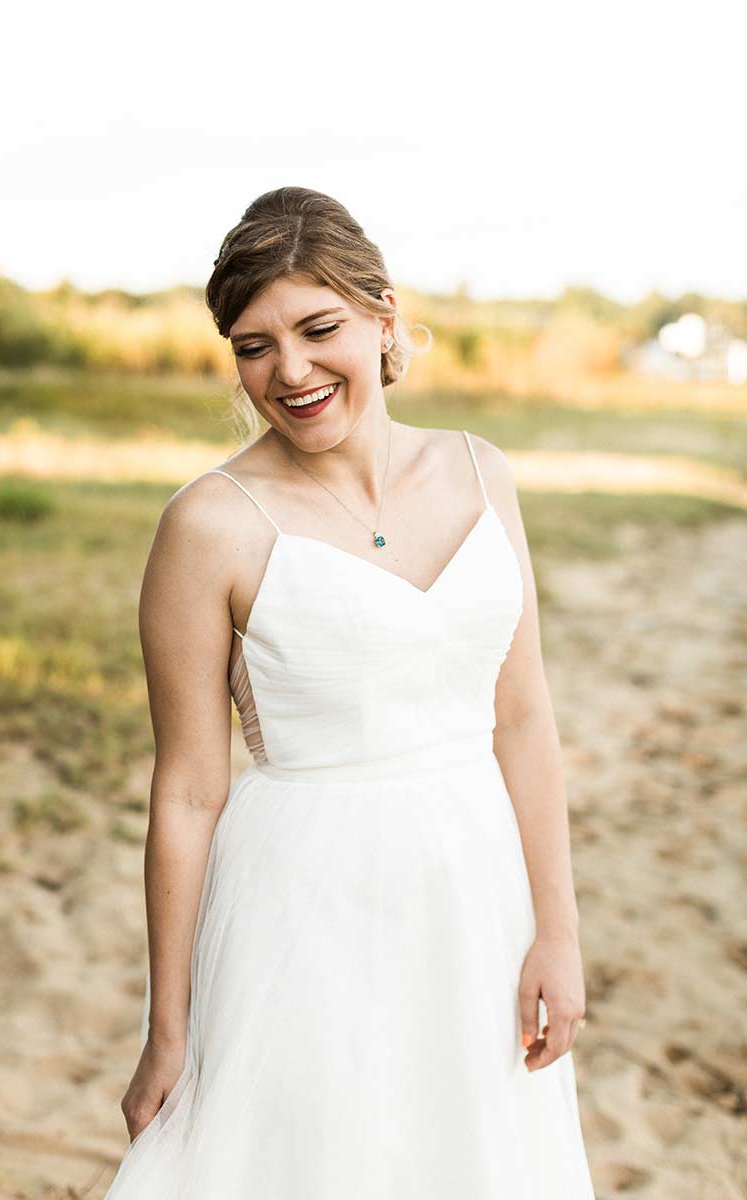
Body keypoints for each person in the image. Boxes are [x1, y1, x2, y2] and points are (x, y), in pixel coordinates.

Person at [103, 186, 596, 1198]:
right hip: (300, 905)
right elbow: (188, 791)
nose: (289, 371)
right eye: (253, 346)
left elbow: (521, 717)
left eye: (318, 328)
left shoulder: (480, 473)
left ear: (382, 315)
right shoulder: (208, 525)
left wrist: (558, 933)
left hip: (474, 895)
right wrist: (169, 1028)